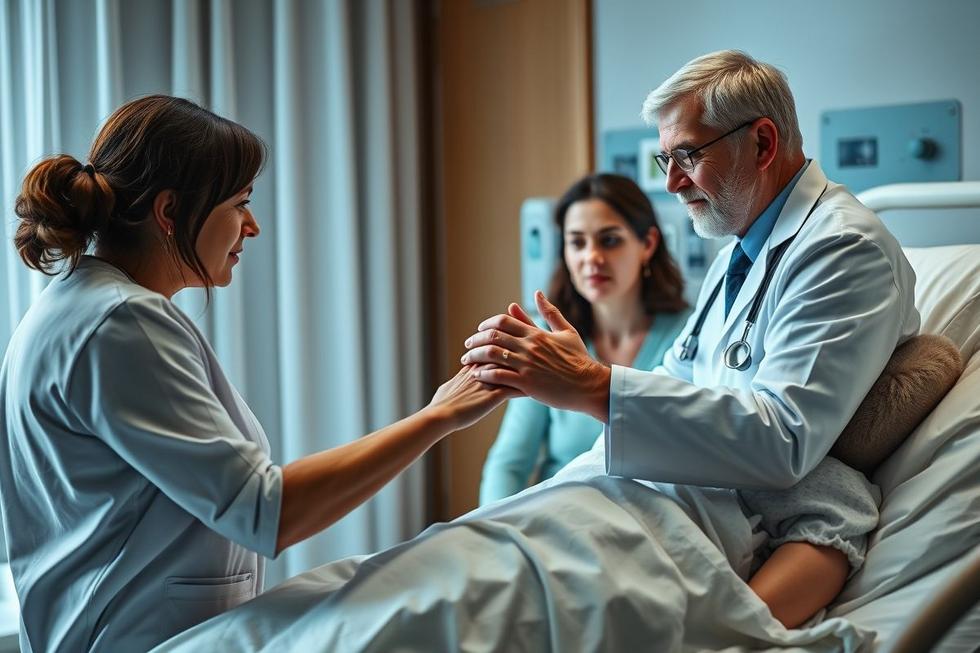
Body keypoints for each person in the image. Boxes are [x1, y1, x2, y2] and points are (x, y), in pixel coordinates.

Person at [0, 95, 515, 652]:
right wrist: (439, 416)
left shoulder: (78, 307)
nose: (253, 226)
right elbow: (262, 510)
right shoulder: (121, 321)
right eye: (239, 203)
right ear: (170, 212)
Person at [462, 51, 919, 626]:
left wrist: (594, 386)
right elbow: (682, 383)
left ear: (762, 143)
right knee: (465, 566)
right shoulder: (741, 251)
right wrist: (591, 382)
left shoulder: (844, 249)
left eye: (687, 156)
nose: (672, 182)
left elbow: (783, 441)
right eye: (665, 159)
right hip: (596, 506)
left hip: (654, 529)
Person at [479, 173, 690, 504]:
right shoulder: (544, 340)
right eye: (577, 242)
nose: (591, 257)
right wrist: (490, 541)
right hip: (560, 526)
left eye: (609, 241)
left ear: (647, 244)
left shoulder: (689, 334)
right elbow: (509, 464)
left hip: (653, 530)